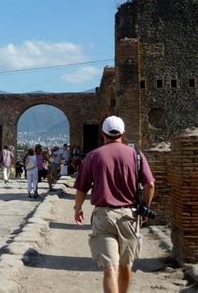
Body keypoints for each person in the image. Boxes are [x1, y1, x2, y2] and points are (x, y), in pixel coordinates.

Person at [74, 116, 155, 293]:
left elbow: (81, 188)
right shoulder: (136, 155)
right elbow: (150, 184)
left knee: (109, 267)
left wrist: (78, 208)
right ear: (123, 133)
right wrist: (144, 207)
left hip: (103, 216)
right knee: (126, 266)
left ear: (103, 133)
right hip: (129, 216)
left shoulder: (93, 156)